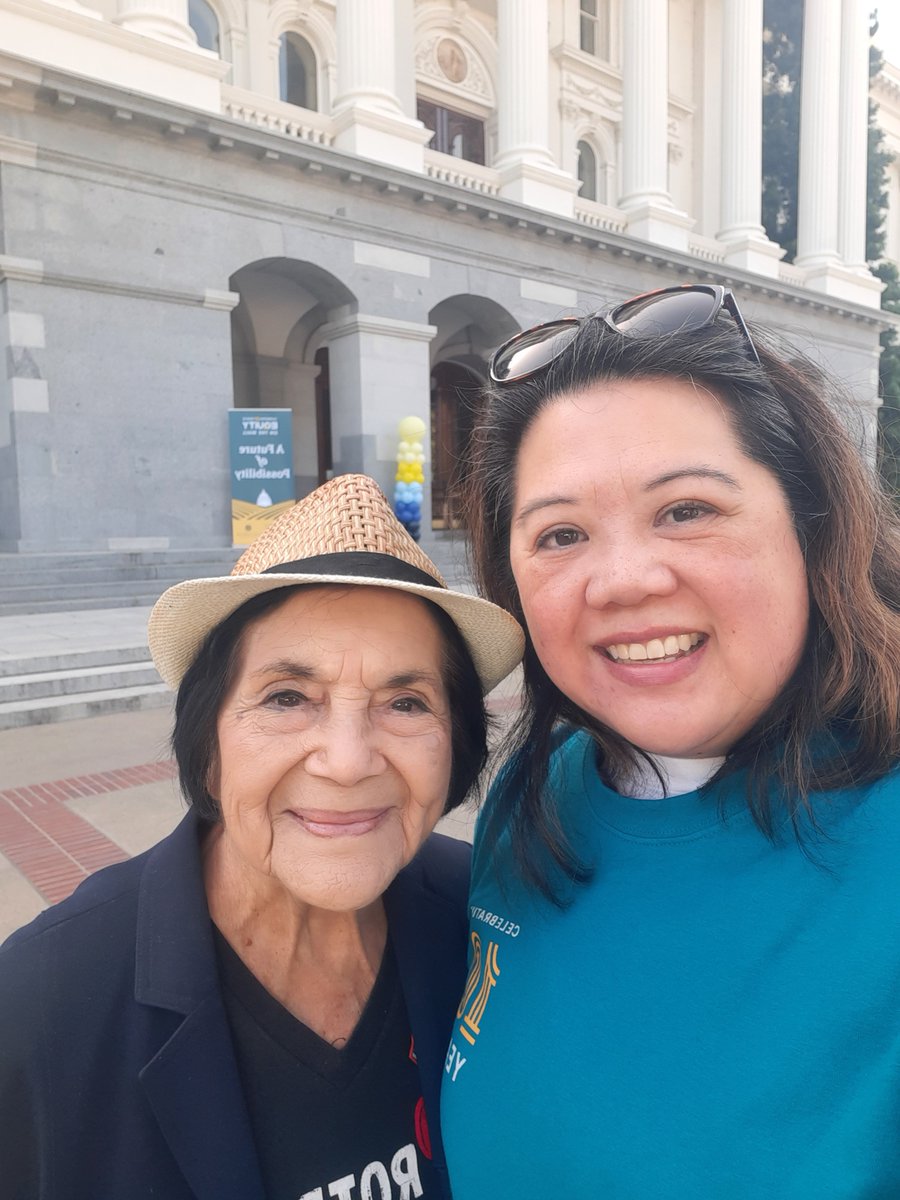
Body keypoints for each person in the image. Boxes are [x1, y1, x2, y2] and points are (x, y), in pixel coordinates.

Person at [440, 284, 900, 1197]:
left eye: (686, 510)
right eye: (560, 533)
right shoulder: (537, 796)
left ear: (812, 530)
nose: (622, 581)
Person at [0, 473, 523, 1200]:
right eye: (286, 698)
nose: (347, 762)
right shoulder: (44, 1003)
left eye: (406, 702)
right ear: (207, 742)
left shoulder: (485, 923)